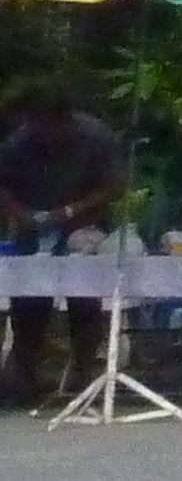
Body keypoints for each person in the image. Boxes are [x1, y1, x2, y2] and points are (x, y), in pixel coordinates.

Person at [0, 78, 126, 406]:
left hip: (84, 230)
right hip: (34, 229)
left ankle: (85, 378)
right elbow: (4, 185)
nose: (42, 133)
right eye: (36, 124)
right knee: (28, 306)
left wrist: (70, 211)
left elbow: (113, 187)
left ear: (65, 119)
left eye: (48, 125)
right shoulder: (21, 142)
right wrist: (20, 213)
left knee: (84, 303)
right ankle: (24, 381)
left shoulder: (96, 138)